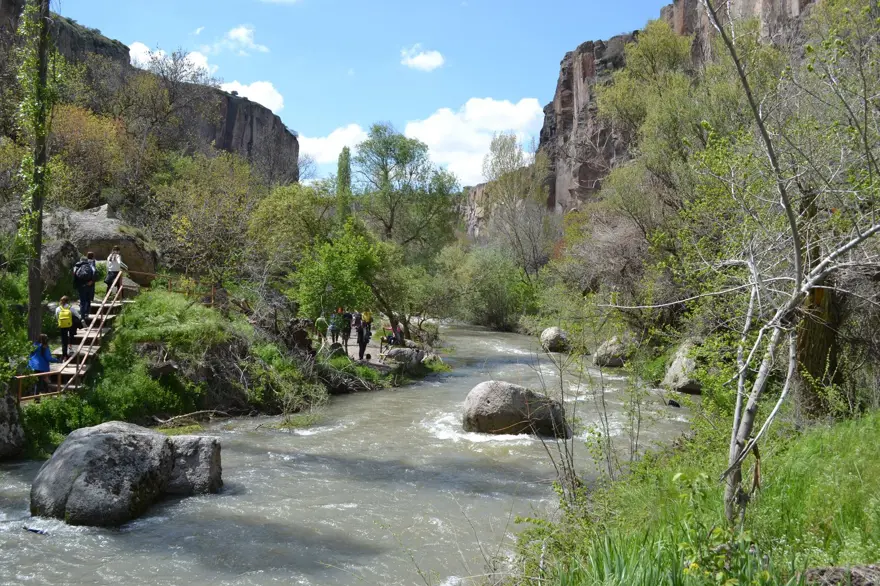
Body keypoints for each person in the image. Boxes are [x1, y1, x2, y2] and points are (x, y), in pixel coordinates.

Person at [73, 252, 96, 325]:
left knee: (82, 301)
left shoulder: (77, 266)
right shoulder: (90, 265)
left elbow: (74, 275)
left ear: (80, 260)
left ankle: (82, 317)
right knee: (88, 300)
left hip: (80, 286)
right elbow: (94, 272)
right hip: (89, 285)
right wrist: (92, 281)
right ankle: (87, 314)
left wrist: (77, 284)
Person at [55, 296, 81, 360]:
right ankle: (70, 348)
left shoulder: (58, 309)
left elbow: (57, 317)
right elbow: (77, 315)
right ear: (68, 301)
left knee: (64, 340)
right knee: (71, 335)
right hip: (70, 325)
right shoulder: (71, 308)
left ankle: (64, 355)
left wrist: (59, 322)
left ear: (60, 301)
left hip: (62, 325)